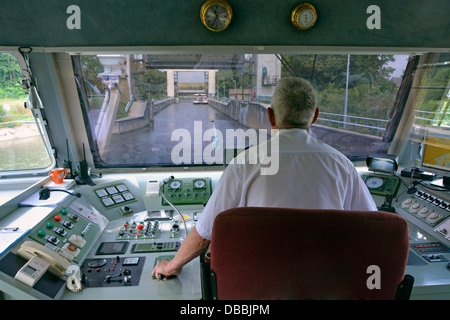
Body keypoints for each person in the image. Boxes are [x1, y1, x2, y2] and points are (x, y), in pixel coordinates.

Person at [152, 77, 378, 280]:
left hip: (257, 290)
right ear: (315, 116)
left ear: (270, 116)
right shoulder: (343, 166)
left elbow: (205, 232)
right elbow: (373, 228)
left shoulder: (245, 163)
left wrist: (172, 265)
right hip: (324, 288)